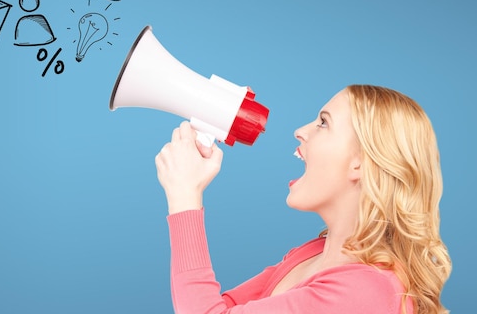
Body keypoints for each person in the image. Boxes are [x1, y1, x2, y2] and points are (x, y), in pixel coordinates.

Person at [155, 85, 451, 314]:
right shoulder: (312, 254)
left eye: (323, 123)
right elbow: (217, 306)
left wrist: (184, 197)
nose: (300, 131)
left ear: (361, 163)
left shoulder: (366, 291)